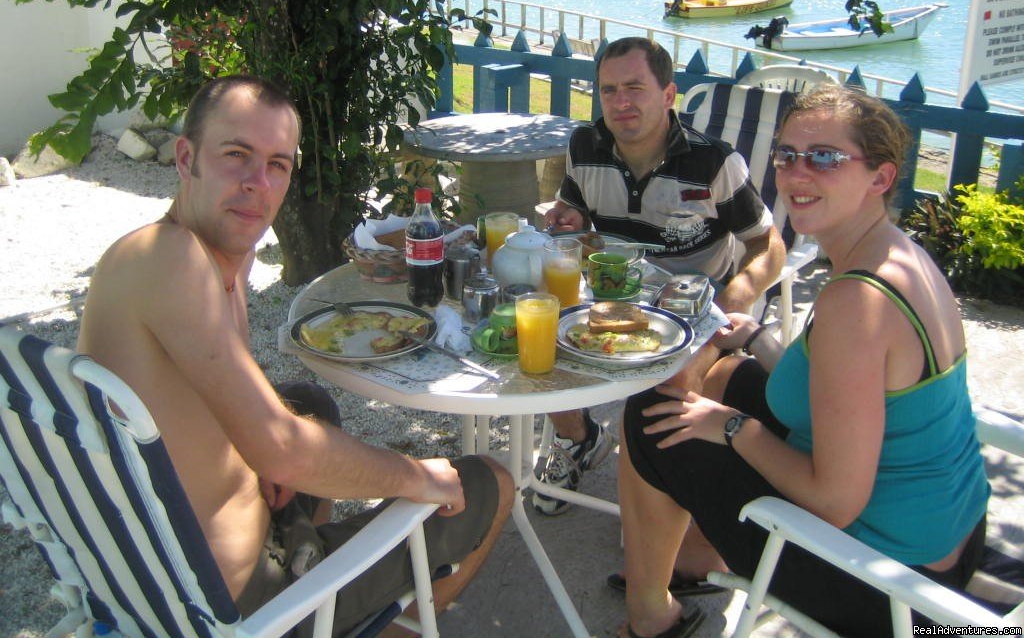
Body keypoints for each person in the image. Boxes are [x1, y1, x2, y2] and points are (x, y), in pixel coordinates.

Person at [77, 75, 513, 636]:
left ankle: (326, 572)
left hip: (160, 567)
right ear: (187, 158)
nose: (258, 183)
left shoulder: (182, 255)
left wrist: (260, 457)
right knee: (488, 481)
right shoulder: (171, 260)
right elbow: (283, 451)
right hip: (232, 610)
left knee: (308, 402)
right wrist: (415, 477)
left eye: (277, 164)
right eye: (237, 155)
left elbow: (229, 408)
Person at [616, 85, 990, 638]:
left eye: (824, 158)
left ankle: (652, 619)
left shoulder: (857, 302)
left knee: (651, 414)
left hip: (886, 584)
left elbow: (834, 502)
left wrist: (733, 428)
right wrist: (759, 338)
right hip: (950, 533)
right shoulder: (898, 254)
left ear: (880, 177)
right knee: (717, 375)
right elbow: (849, 379)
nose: (796, 174)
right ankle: (699, 555)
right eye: (787, 155)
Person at [536, 37, 785, 516]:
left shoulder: (714, 162)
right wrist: (570, 220)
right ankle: (580, 438)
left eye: (635, 87)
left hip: (695, 310)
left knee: (663, 401)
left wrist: (743, 290)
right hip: (609, 296)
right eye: (609, 90)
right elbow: (576, 212)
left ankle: (661, 507)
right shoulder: (585, 146)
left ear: (668, 95)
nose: (621, 102)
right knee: (534, 342)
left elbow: (767, 242)